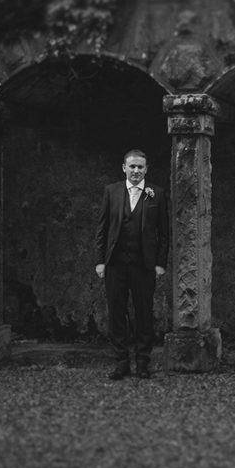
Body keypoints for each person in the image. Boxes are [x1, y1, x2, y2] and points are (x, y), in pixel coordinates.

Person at [95, 150, 170, 380]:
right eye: (132, 166)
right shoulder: (111, 191)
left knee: (144, 313)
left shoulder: (157, 193)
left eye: (140, 167)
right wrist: (100, 261)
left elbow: (164, 233)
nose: (136, 171)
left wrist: (160, 263)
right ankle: (121, 362)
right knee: (116, 313)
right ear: (124, 168)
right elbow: (102, 228)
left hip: (143, 265)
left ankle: (143, 362)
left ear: (146, 169)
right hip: (115, 264)